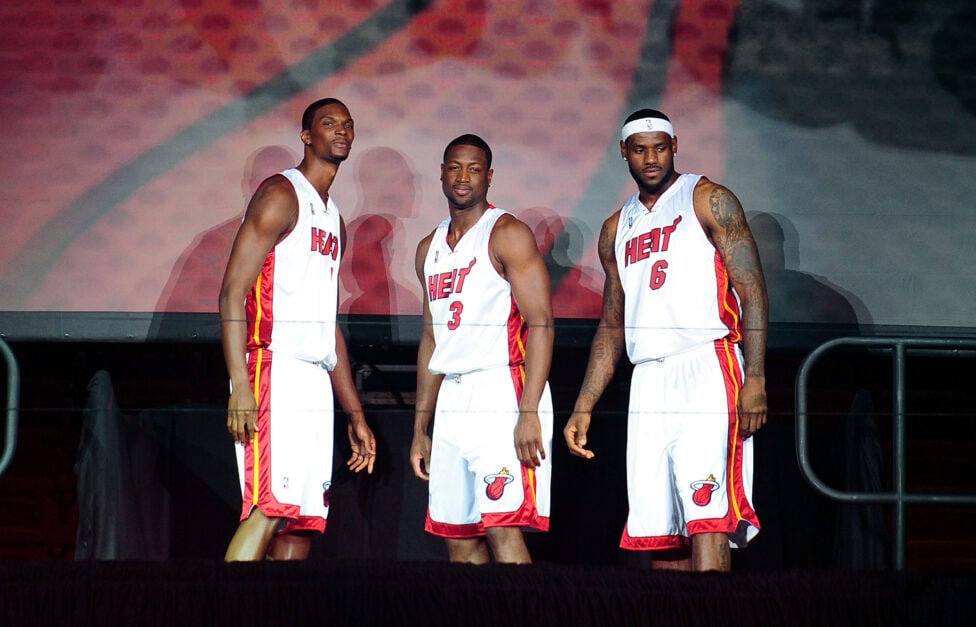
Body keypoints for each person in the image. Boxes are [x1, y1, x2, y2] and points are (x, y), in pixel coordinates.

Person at [563, 109, 767, 572]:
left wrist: (755, 377)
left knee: (708, 516)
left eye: (659, 147)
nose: (650, 158)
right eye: (639, 149)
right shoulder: (617, 228)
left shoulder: (708, 199)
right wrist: (584, 405)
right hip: (649, 378)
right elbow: (611, 325)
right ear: (624, 153)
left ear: (675, 146)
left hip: (707, 364)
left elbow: (752, 291)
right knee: (661, 527)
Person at [219, 98, 377, 561]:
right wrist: (241, 388)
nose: (341, 130)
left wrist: (355, 414)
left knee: (299, 527)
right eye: (329, 123)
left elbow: (328, 327)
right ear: (307, 136)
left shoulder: (333, 218)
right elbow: (231, 293)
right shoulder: (281, 194)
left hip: (313, 379)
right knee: (266, 510)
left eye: (348, 124)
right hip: (274, 367)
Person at [410, 134, 554, 564]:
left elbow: (542, 324)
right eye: (455, 167)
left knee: (502, 527)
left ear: (489, 176)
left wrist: (528, 412)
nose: (463, 177)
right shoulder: (428, 248)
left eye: (474, 169)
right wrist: (422, 427)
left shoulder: (506, 233)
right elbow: (432, 339)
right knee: (459, 538)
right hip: (453, 398)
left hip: (501, 389)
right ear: (441, 172)